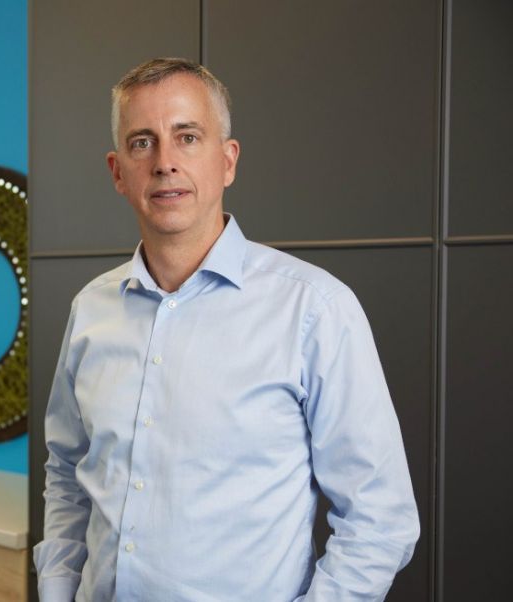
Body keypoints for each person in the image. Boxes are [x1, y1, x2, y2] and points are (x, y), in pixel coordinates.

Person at [33, 57, 420, 601]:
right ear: (117, 171)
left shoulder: (314, 309)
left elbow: (381, 519)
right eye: (142, 142)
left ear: (227, 160)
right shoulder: (91, 311)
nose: (165, 162)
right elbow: (68, 476)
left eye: (187, 136)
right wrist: (56, 589)